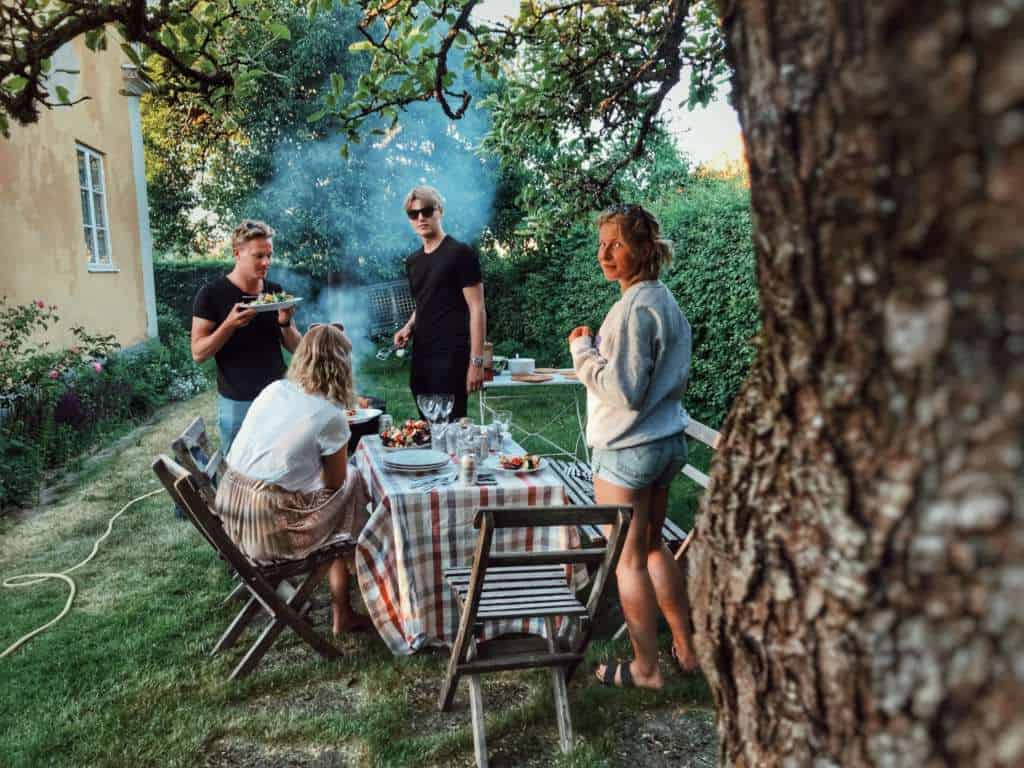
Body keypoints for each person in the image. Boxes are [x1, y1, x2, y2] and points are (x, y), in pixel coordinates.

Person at [567, 203, 699, 689]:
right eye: (601, 244)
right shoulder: (664, 301)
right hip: (665, 443)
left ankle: (646, 669)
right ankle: (686, 648)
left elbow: (623, 391)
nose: (604, 253)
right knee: (654, 547)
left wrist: (583, 353)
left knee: (628, 560)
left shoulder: (631, 310)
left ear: (644, 249)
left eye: (616, 243)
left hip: (627, 450)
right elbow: (645, 375)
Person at [215, 323, 372, 635]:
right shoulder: (330, 415)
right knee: (353, 485)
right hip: (266, 529)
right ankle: (348, 601)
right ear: (342, 367)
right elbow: (333, 484)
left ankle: (347, 595)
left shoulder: (275, 389)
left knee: (343, 495)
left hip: (229, 513)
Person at [191, 219, 301, 455]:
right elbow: (198, 353)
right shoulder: (211, 294)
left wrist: (284, 322)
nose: (266, 262)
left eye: (269, 255)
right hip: (237, 403)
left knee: (282, 467)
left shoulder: (274, 291)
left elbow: (298, 348)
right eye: (258, 256)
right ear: (237, 253)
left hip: (278, 397)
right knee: (237, 473)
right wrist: (229, 325)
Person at [392, 186, 487, 420]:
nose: (421, 218)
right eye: (413, 214)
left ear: (439, 211)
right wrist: (408, 326)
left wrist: (476, 362)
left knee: (452, 431)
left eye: (426, 211)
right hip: (422, 357)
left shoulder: (460, 253)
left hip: (451, 358)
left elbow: (477, 308)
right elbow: (425, 302)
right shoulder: (413, 261)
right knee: (426, 431)